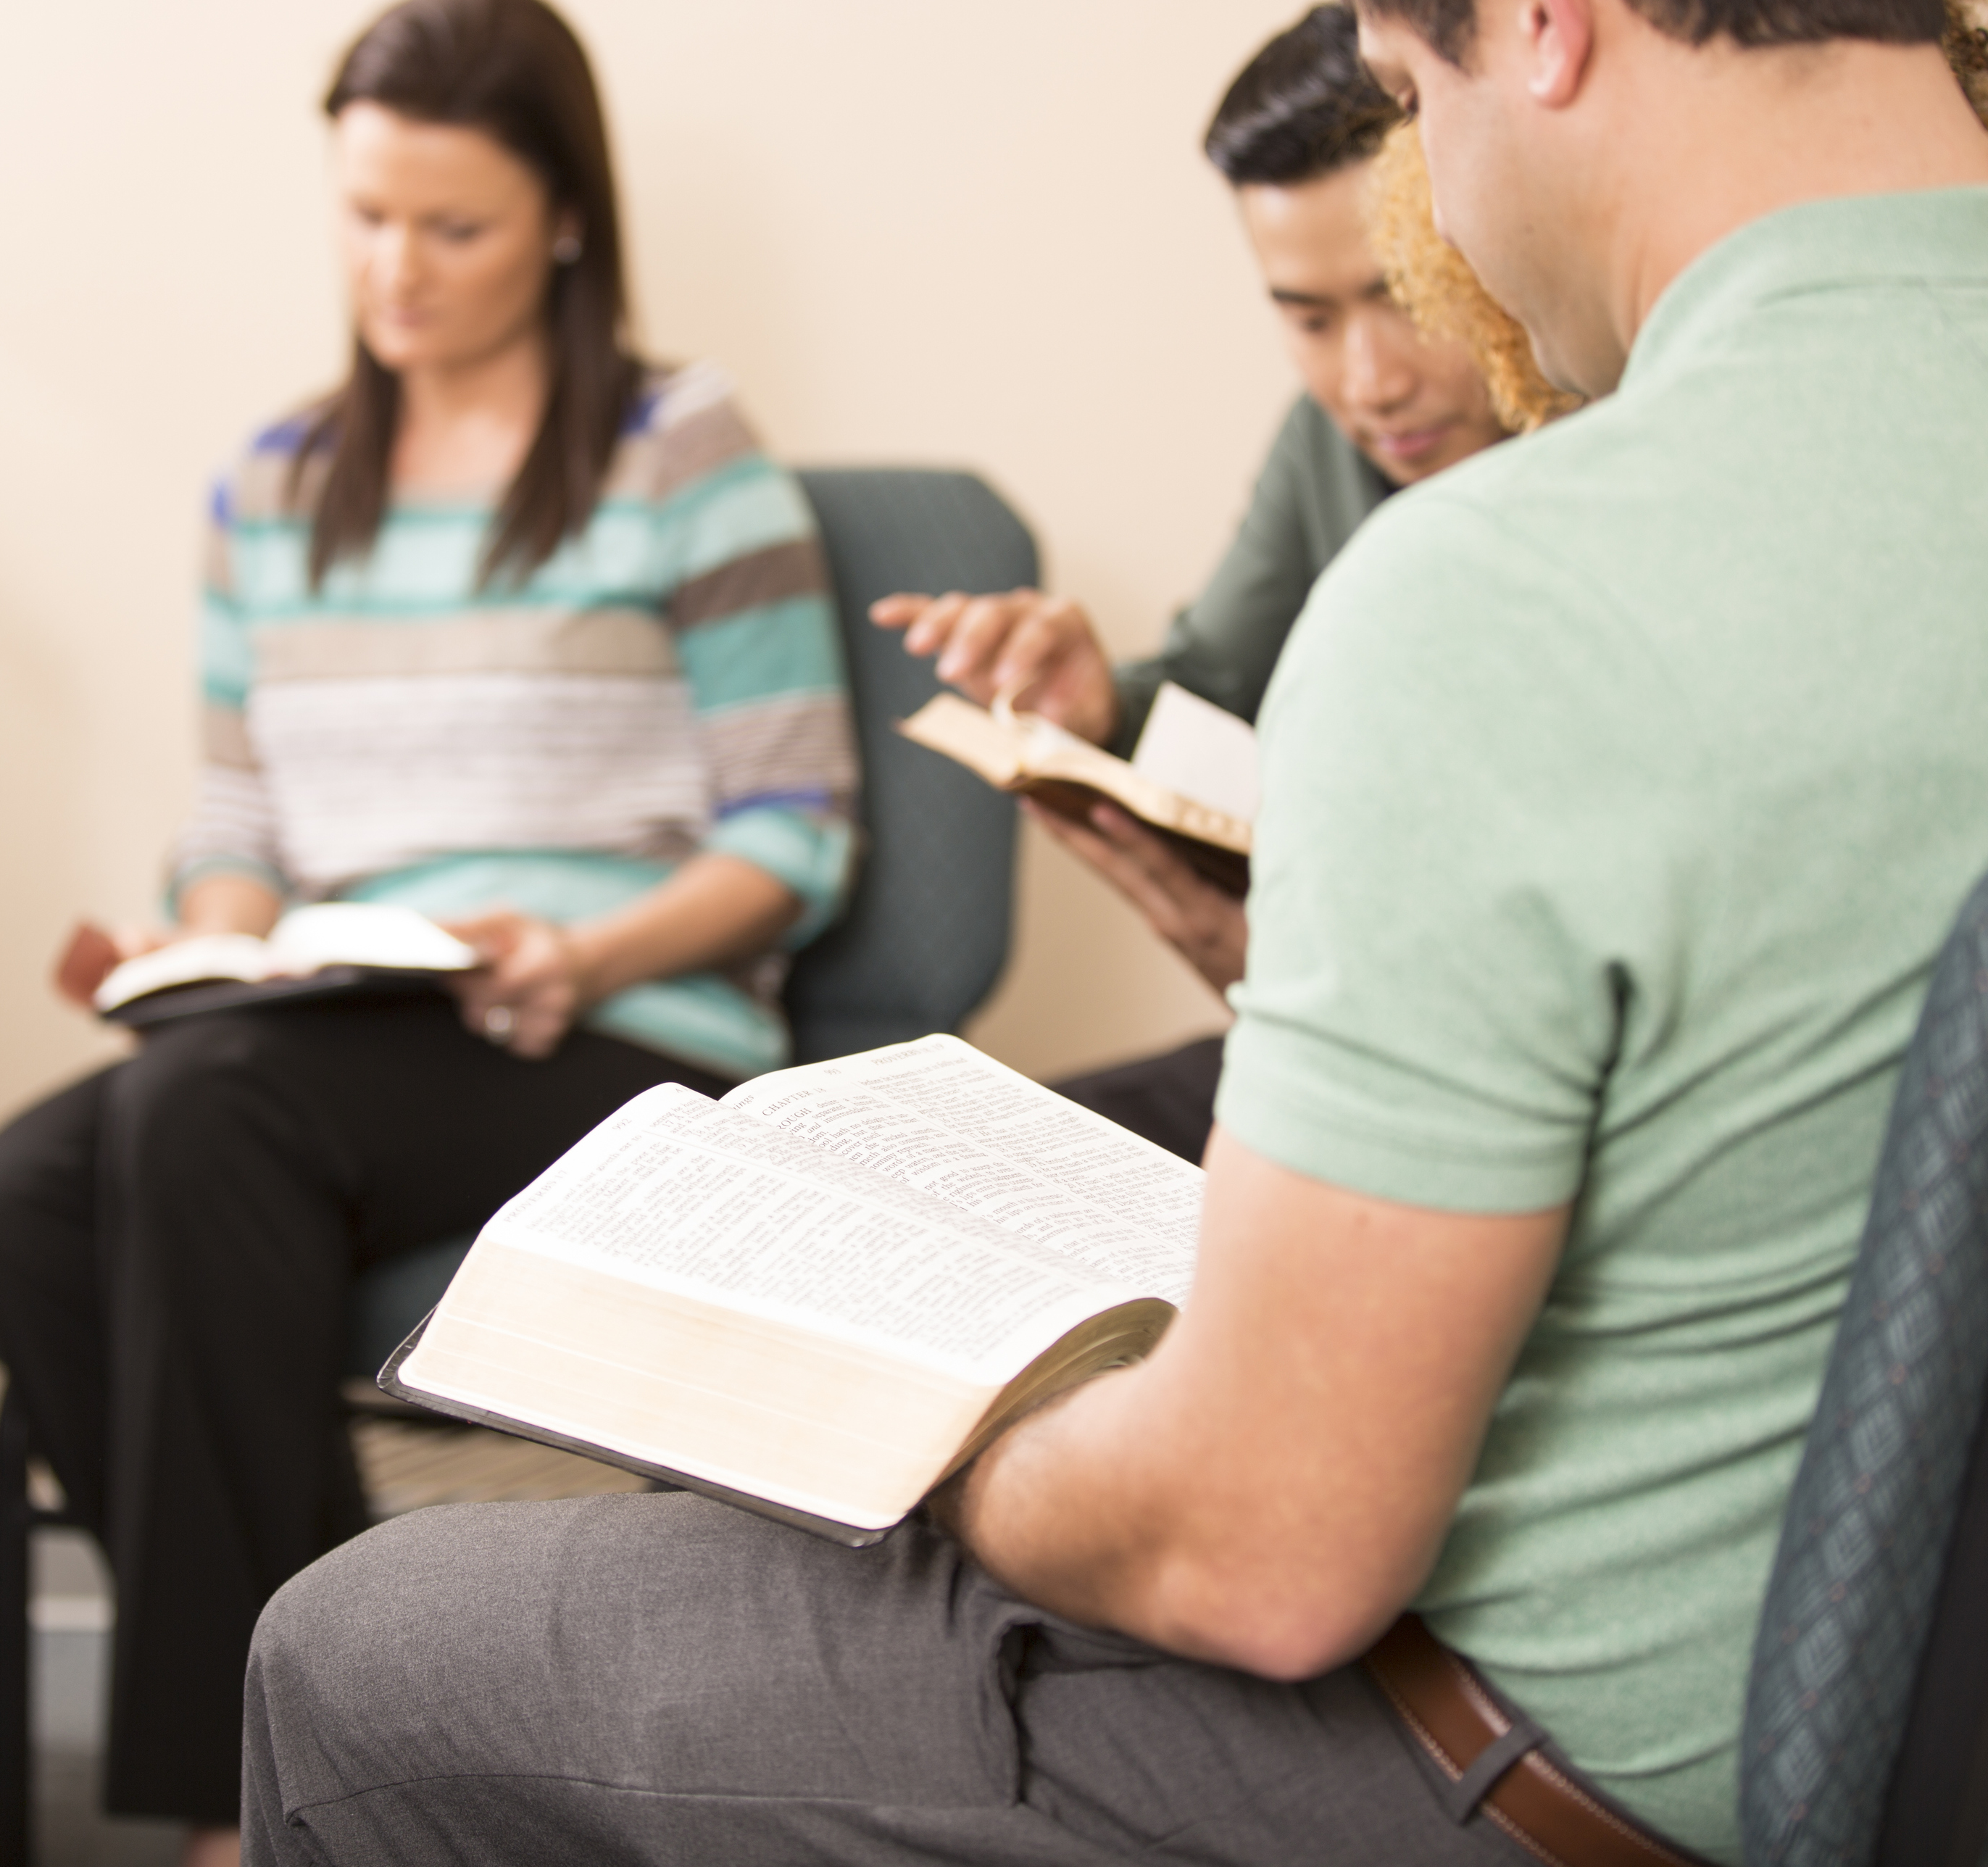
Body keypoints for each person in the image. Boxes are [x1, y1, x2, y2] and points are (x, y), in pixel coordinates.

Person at [240, 1, 1988, 1863]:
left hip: (1541, 1775)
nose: (1437, 242)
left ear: (1546, 29)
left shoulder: (1523, 590)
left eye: (1407, 102)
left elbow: (1261, 1551)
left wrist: (971, 1446)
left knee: (358, 1656)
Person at [0, 0, 856, 1856]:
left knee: (201, 1121)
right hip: (330, 1026)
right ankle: (352, 1701)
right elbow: (240, 821)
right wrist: (202, 945)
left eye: (454, 229)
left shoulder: (683, 449)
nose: (398, 270)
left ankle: (241, 1813)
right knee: (19, 1193)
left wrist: (581, 953)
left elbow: (797, 832)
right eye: (368, 219)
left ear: (567, 224)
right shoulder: (270, 486)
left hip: (617, 1030)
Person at [877, 4, 1513, 1164]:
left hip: (1466, 1087)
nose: (1368, 382)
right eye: (1309, 319)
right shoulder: (1329, 445)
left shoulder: (1609, 451)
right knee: (953, 1164)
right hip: (1316, 1036)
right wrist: (1096, 706)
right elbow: (1211, 685)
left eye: (1409, 299)